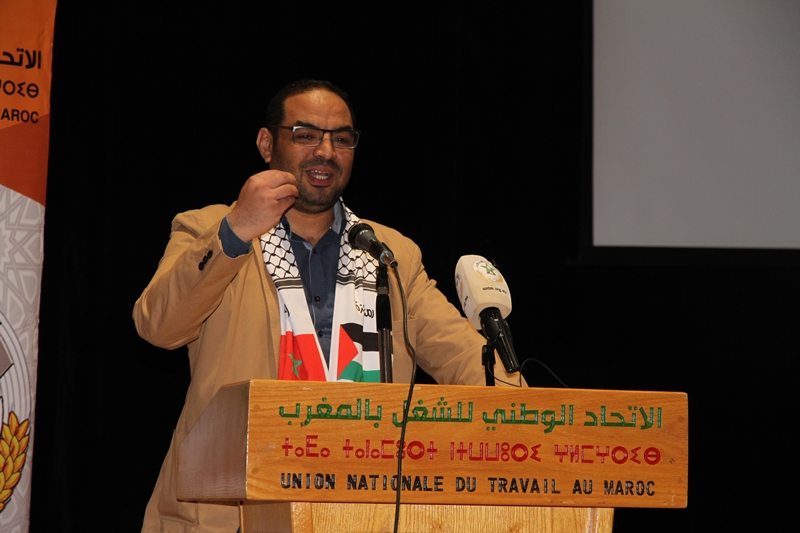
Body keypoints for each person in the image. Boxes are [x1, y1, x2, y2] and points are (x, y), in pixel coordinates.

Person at [133, 79, 519, 533]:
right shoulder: (209, 229)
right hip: (229, 510)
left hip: (359, 509)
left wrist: (530, 418)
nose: (325, 151)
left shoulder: (387, 252)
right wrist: (235, 229)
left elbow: (465, 358)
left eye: (342, 139)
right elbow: (159, 327)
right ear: (266, 144)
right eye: (306, 135)